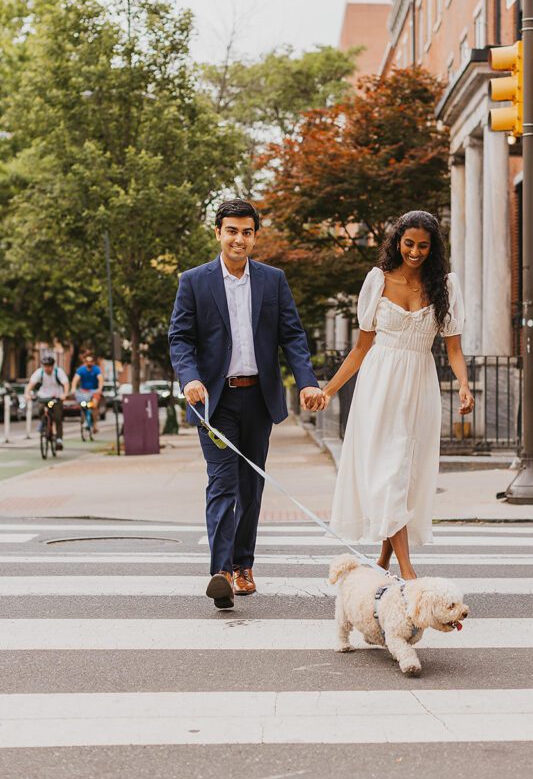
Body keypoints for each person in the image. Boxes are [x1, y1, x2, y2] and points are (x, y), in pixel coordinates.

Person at [169, 197, 326, 609]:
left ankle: (243, 564)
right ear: (218, 233)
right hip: (214, 402)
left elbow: (292, 336)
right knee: (222, 484)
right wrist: (190, 379)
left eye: (247, 232)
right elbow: (180, 338)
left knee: (251, 487)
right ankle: (220, 572)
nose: (240, 239)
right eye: (232, 231)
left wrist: (307, 382)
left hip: (258, 397)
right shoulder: (194, 281)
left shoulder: (273, 280)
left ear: (255, 236)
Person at [324, 210, 474, 581]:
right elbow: (360, 349)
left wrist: (465, 385)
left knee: (404, 478)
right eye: (409, 244)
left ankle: (381, 565)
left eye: (423, 246)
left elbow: (453, 349)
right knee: (388, 476)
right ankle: (409, 576)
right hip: (379, 387)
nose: (415, 252)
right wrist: (328, 390)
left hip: (420, 386)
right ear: (397, 242)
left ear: (433, 248)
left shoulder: (446, 286)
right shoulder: (378, 281)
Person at [25, 354, 69, 450]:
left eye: (49, 366)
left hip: (56, 397)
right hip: (44, 396)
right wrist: (27, 394)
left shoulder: (59, 372)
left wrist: (65, 394)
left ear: (52, 366)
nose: (47, 368)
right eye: (45, 366)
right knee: (41, 410)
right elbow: (31, 384)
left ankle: (59, 439)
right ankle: (44, 425)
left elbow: (65, 383)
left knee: (58, 417)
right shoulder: (39, 372)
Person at [71, 353, 104, 433]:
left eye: (91, 361)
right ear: (85, 362)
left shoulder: (96, 369)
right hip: (83, 391)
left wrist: (99, 389)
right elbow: (75, 380)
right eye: (87, 361)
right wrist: (73, 388)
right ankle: (84, 417)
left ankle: (95, 424)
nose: (89, 363)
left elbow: (100, 380)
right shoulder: (81, 370)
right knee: (82, 404)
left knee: (94, 405)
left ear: (93, 362)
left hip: (94, 391)